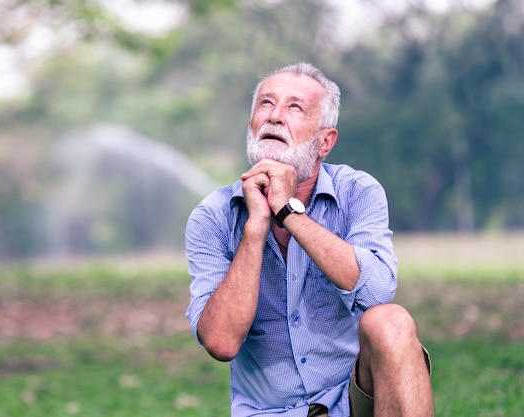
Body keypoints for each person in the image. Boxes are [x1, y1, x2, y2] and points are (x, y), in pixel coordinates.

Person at [185, 62, 434, 417]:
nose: (274, 117)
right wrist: (256, 227)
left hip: (355, 402)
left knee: (390, 322)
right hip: (269, 412)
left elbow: (378, 292)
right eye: (266, 104)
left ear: (325, 141)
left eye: (294, 107)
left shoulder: (357, 192)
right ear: (252, 126)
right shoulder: (212, 217)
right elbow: (221, 343)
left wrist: (288, 211)